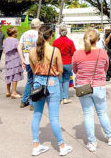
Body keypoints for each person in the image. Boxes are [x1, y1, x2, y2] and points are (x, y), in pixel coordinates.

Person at [29, 25, 73, 156]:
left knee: (37, 115)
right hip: (52, 83)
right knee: (54, 118)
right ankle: (62, 145)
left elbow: (32, 69)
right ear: (50, 36)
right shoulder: (54, 50)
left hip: (38, 83)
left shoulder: (32, 51)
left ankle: (36, 145)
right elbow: (60, 70)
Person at [73, 28, 111, 152]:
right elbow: (105, 68)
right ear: (97, 39)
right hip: (98, 86)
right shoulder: (102, 52)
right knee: (102, 113)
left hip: (83, 87)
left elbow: (75, 70)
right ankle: (110, 136)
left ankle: (92, 142)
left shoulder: (77, 53)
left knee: (88, 114)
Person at [18, 18, 41, 110]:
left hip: (27, 60)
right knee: (36, 80)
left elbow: (19, 47)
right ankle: (33, 102)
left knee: (29, 80)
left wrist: (22, 58)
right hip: (36, 60)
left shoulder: (25, 34)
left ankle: (24, 100)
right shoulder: (39, 35)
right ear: (38, 26)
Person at [53, 24, 76, 104]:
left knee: (59, 81)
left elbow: (53, 53)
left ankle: (60, 98)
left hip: (58, 63)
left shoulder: (56, 42)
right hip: (68, 63)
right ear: (66, 32)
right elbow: (73, 52)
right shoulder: (70, 42)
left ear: (59, 32)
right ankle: (65, 97)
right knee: (66, 80)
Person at [3, 27, 24, 99]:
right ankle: (14, 92)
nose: (17, 33)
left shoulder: (5, 40)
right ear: (14, 33)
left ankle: (8, 91)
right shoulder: (16, 41)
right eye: (16, 32)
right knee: (15, 76)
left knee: (8, 75)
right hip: (15, 60)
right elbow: (20, 49)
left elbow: (4, 50)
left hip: (8, 60)